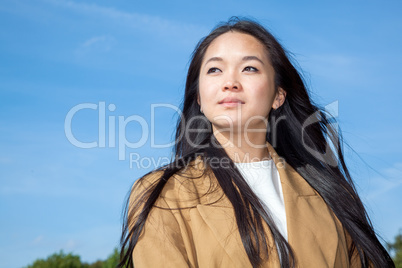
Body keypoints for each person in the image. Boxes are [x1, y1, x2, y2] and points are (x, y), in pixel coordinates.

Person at [118, 18, 394, 268]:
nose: (230, 82)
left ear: (278, 95)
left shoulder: (328, 195)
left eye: (249, 68)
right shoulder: (160, 194)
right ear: (199, 99)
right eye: (214, 69)